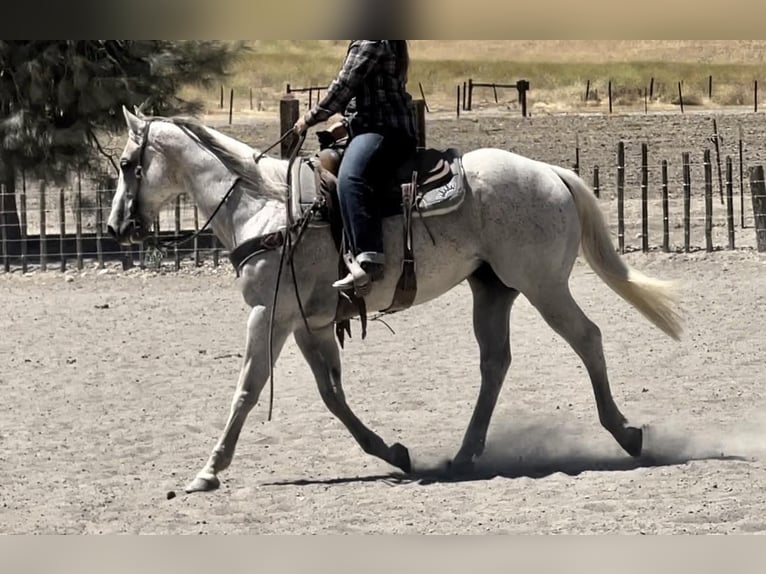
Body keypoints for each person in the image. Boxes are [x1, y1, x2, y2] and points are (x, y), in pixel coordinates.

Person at [294, 40, 418, 291]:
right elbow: (367, 95)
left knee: (351, 178)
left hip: (386, 129)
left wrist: (308, 119)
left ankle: (369, 259)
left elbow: (344, 86)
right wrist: (347, 125)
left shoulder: (371, 38)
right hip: (372, 126)